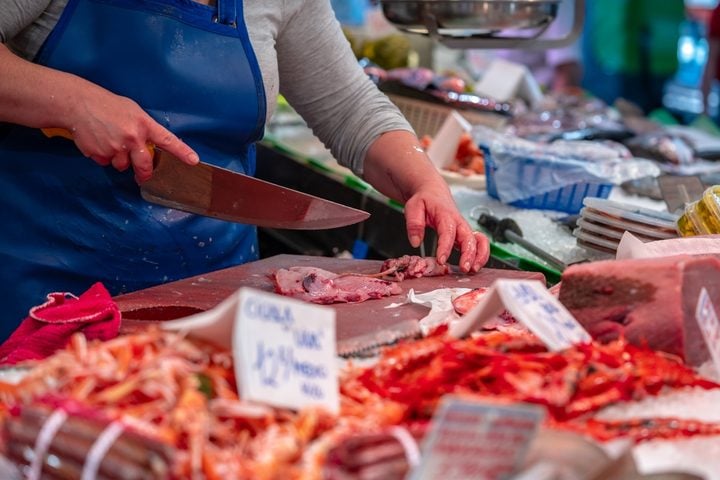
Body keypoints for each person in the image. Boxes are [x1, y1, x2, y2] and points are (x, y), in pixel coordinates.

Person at [0, 0, 490, 340]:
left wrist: (424, 182)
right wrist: (71, 102)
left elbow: (350, 106)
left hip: (218, 293)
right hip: (47, 290)